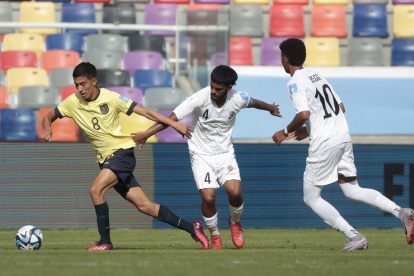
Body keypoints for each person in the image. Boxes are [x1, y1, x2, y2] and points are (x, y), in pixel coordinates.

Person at [41, 62, 209, 251]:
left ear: (94, 81)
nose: (80, 89)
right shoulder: (73, 102)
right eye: (76, 85)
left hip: (121, 154)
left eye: (83, 84)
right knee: (145, 206)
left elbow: (146, 112)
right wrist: (47, 127)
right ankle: (192, 227)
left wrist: (175, 125)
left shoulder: (111, 99)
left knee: (96, 190)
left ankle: (105, 242)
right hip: (106, 160)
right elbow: (48, 116)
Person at [272, 38, 414, 250]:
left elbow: (303, 113)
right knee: (351, 189)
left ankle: (355, 236)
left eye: (281, 57)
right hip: (343, 137)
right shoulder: (317, 76)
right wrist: (307, 129)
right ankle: (400, 212)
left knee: (311, 197)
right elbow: (340, 107)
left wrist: (285, 132)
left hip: (325, 142)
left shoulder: (294, 82)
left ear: (285, 59)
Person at [132, 65, 282, 250]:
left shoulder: (238, 98)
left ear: (229, 87)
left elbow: (253, 102)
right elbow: (171, 118)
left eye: (218, 89)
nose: (213, 91)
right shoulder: (199, 98)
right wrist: (147, 133)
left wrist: (270, 109)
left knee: (235, 192)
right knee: (209, 197)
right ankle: (215, 234)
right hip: (200, 154)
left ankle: (235, 222)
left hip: (225, 153)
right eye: (212, 86)